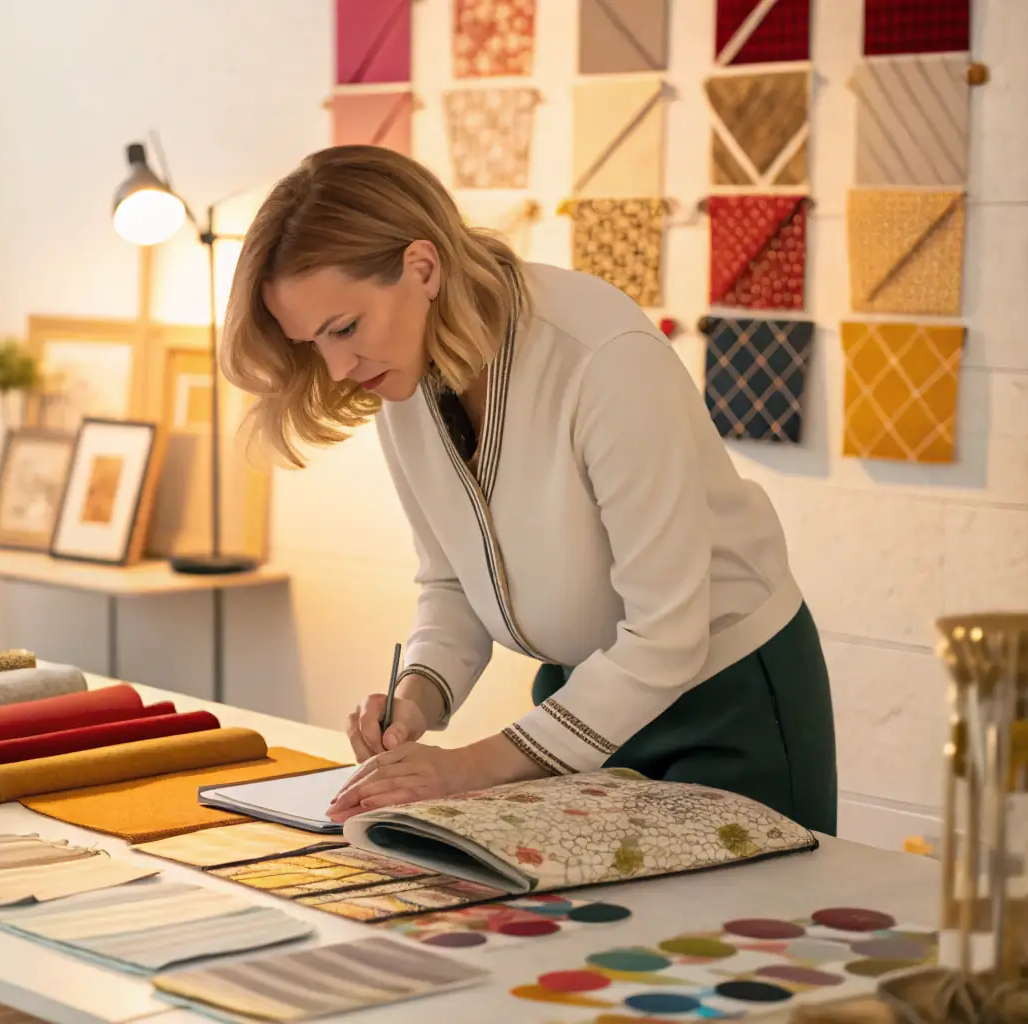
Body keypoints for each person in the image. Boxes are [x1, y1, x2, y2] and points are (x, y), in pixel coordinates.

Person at [218, 145, 838, 835]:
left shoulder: (600, 357)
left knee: (740, 937)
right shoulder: (399, 375)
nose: (335, 367)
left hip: (727, 699)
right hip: (581, 696)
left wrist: (468, 767)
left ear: (421, 268)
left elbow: (666, 634)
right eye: (311, 343)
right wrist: (416, 696)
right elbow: (451, 583)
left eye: (344, 329)